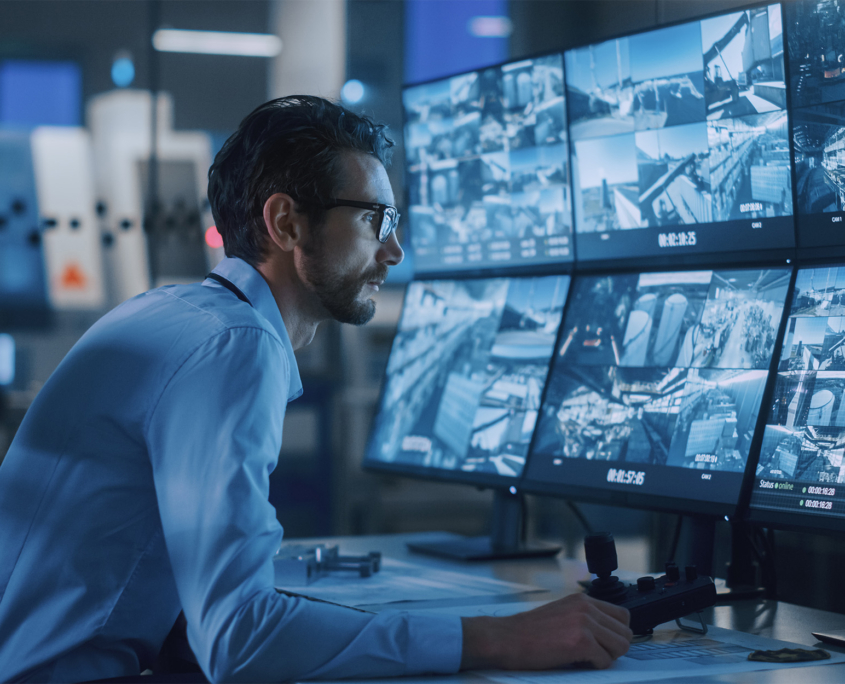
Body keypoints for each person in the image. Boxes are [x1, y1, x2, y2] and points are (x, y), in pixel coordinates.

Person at [0, 96, 632, 682]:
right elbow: (237, 637)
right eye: (374, 220)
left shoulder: (172, 311)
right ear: (286, 223)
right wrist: (501, 639)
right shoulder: (235, 346)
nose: (394, 250)